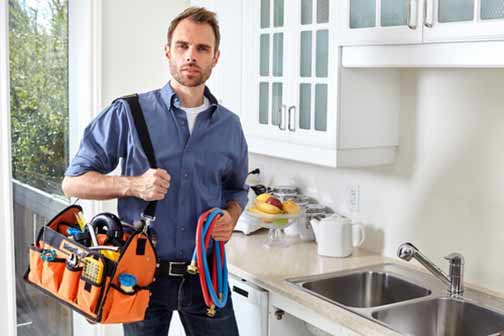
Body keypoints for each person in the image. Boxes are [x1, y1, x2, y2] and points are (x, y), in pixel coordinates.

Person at [62, 7, 248, 336]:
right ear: (168, 52)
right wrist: (133, 185)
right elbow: (73, 183)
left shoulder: (230, 127)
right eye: (183, 46)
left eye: (202, 49)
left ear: (215, 58)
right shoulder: (128, 112)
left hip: (205, 275)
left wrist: (231, 217)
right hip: (139, 274)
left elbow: (236, 190)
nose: (191, 56)